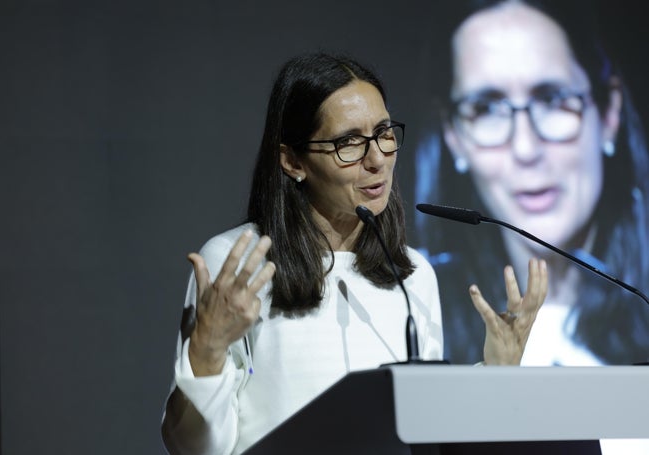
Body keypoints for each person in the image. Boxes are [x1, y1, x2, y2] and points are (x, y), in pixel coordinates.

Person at [161, 52, 548, 455]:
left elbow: (426, 434)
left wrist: (498, 374)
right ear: (293, 160)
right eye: (348, 142)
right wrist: (205, 352)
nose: (377, 159)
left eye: (383, 132)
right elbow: (194, 448)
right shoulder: (239, 264)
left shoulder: (412, 275)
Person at [414, 0, 649, 367]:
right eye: (486, 108)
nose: (525, 148)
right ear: (453, 135)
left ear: (608, 113)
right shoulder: (417, 321)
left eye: (552, 100)